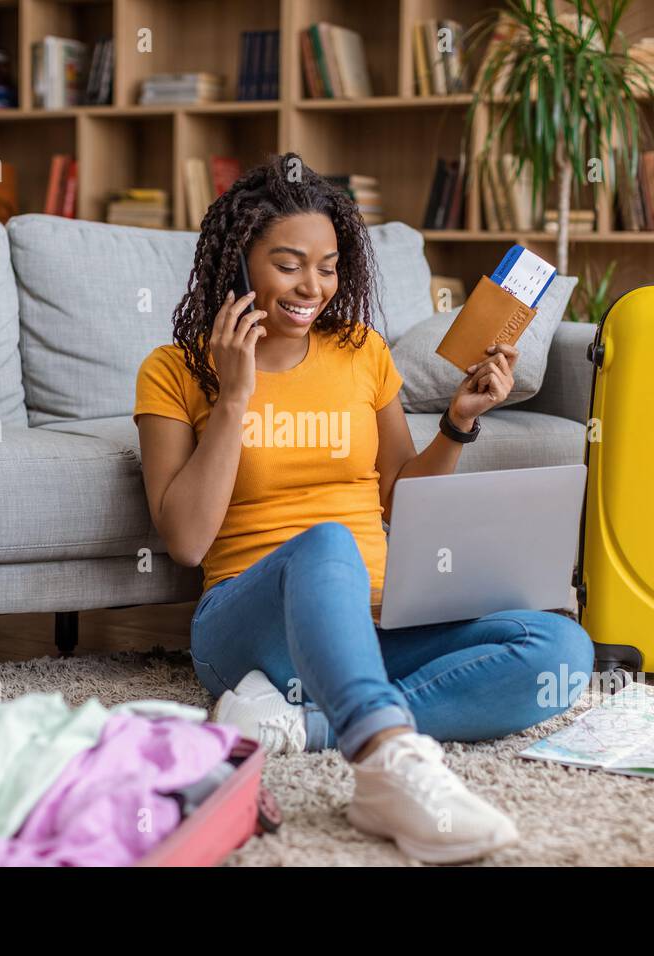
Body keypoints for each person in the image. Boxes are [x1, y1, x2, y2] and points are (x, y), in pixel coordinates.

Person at [133, 152, 594, 864]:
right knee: (325, 544)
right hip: (251, 632)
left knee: (560, 649)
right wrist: (233, 397)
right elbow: (188, 541)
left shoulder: (361, 352)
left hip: (379, 624)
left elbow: (400, 502)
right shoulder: (175, 369)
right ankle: (385, 763)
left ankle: (307, 728)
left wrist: (459, 423)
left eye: (327, 265)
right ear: (239, 264)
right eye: (288, 263)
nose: (311, 286)